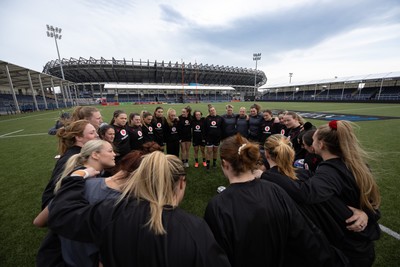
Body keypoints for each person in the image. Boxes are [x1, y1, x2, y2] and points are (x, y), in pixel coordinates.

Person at [47, 151, 231, 267]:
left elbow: (61, 214)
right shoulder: (195, 228)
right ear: (181, 183)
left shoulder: (111, 211)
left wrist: (76, 176)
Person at [204, 134, 347, 267]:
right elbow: (305, 234)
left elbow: (215, 256)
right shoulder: (275, 190)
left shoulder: (217, 206)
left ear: (225, 163)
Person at [261, 120, 381, 267]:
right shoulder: (355, 164)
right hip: (361, 244)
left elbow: (306, 194)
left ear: (321, 144)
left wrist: (268, 174)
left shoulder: (330, 171)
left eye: (314, 139)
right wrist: (367, 214)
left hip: (349, 249)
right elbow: (372, 202)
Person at [37, 120, 98, 267]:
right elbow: (59, 191)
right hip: (57, 207)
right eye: (92, 133)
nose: (97, 135)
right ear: (78, 138)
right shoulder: (73, 159)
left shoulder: (81, 154)